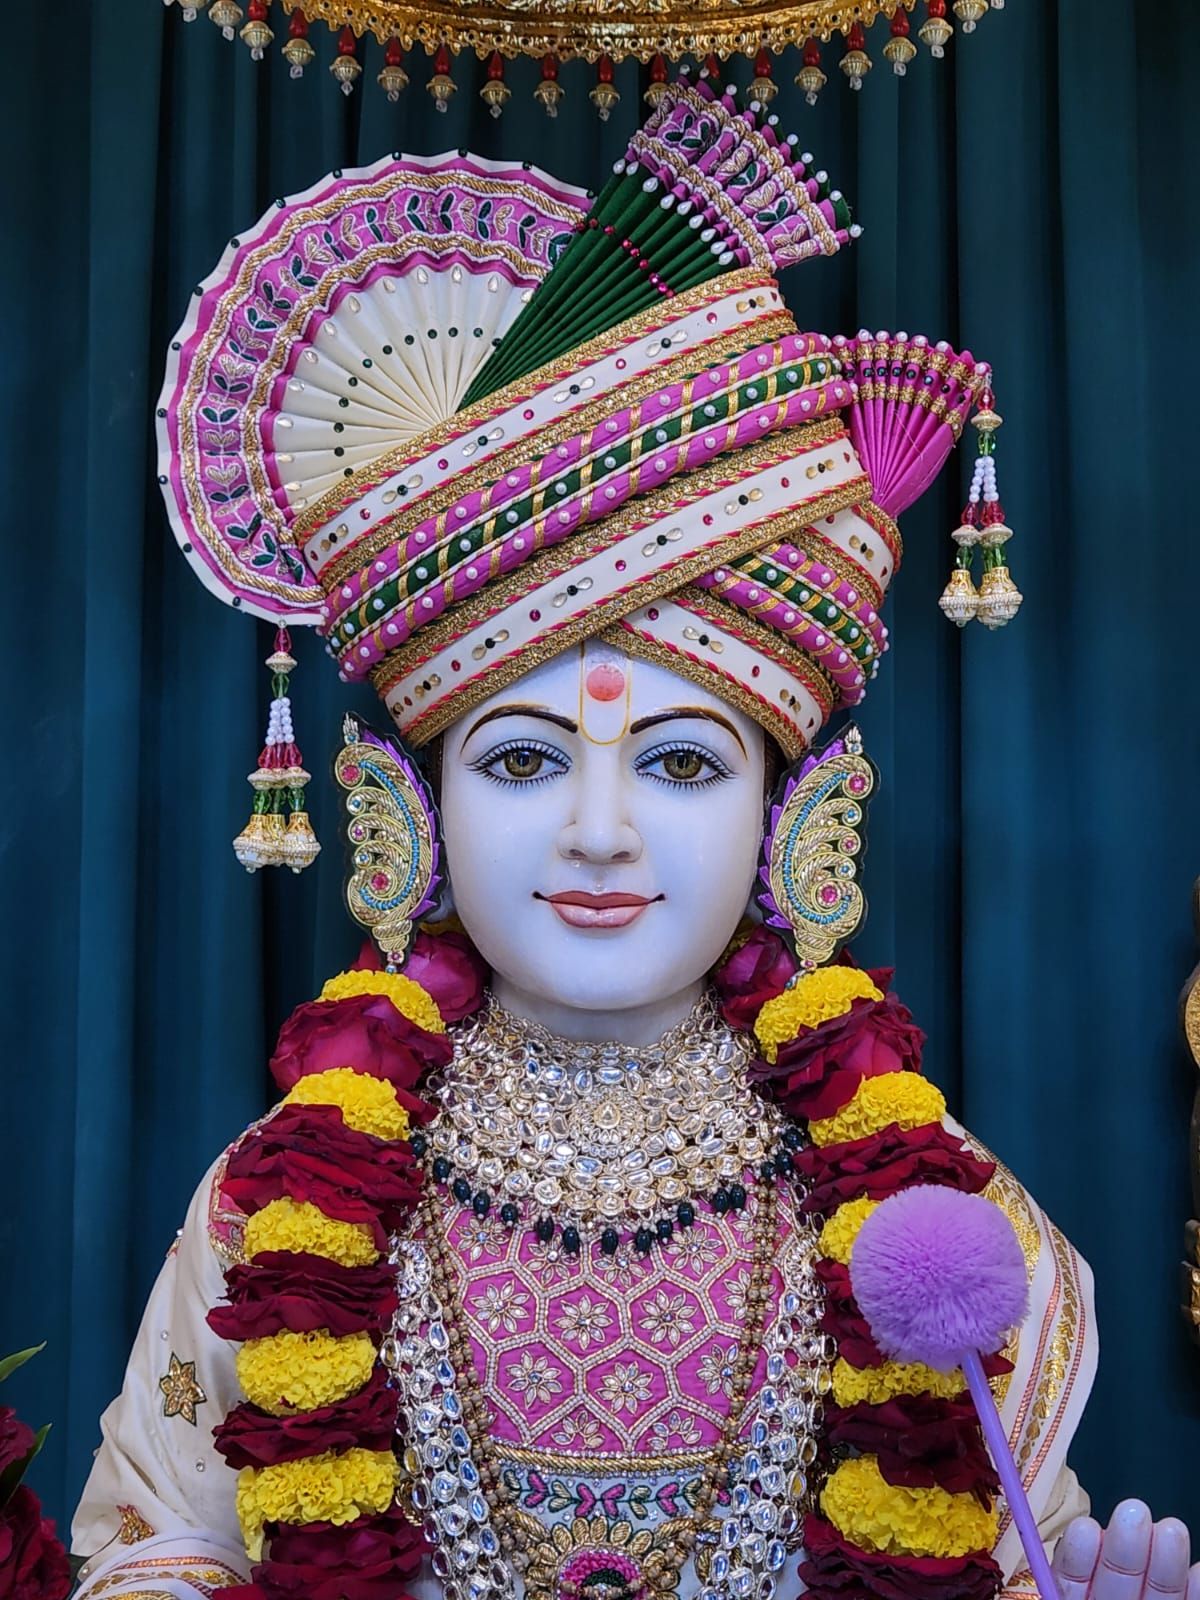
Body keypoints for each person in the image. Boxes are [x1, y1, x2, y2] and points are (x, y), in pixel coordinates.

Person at [70, 79, 1197, 1600]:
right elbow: (159, 1554)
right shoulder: (265, 1213)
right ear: (406, 808)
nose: (599, 833)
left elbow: (991, 1551)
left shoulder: (936, 1227)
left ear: (795, 816)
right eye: (526, 758)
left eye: (677, 764)